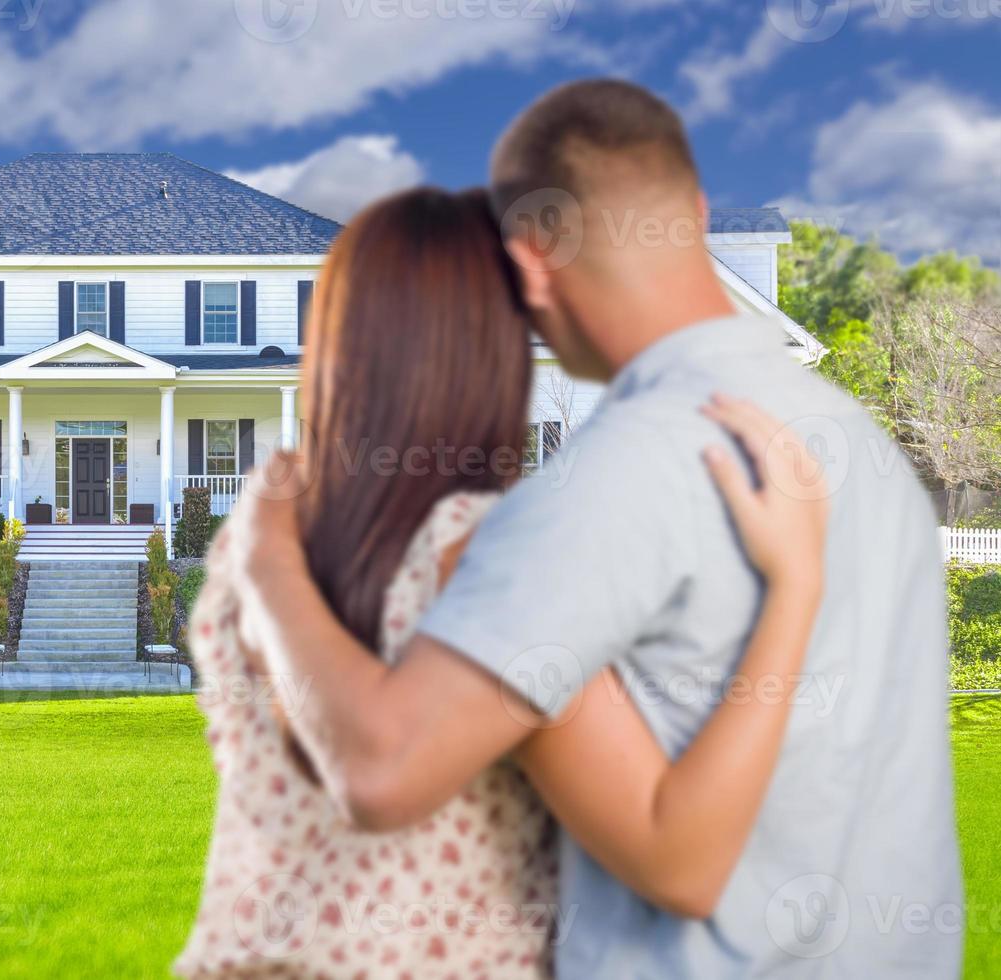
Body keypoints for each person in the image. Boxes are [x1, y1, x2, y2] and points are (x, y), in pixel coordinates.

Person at [214, 79, 963, 978]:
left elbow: (383, 769)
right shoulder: (858, 448)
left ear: (532, 259)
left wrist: (264, 561)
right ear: (688, 210)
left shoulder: (611, 481)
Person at [176, 185, 831, 978]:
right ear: (492, 347)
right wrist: (794, 582)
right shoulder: (484, 554)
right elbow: (679, 862)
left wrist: (265, 561)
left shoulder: (257, 546)